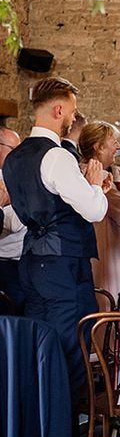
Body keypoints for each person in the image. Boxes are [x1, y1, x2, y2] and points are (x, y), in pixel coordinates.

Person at [3, 76, 109, 437]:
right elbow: (95, 211)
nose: (73, 120)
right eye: (72, 109)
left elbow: (17, 216)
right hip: (63, 269)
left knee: (39, 358)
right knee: (69, 359)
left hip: (31, 267)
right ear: (59, 109)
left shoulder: (14, 159)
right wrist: (94, 183)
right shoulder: (57, 156)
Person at [79, 122, 120, 304]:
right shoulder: (100, 177)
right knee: (113, 303)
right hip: (109, 250)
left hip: (94, 247)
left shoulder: (80, 171)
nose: (118, 146)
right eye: (113, 142)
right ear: (98, 147)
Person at [0, 127, 26, 313]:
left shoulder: (16, 176)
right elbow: (14, 223)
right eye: (13, 148)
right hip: (4, 263)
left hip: (21, 260)